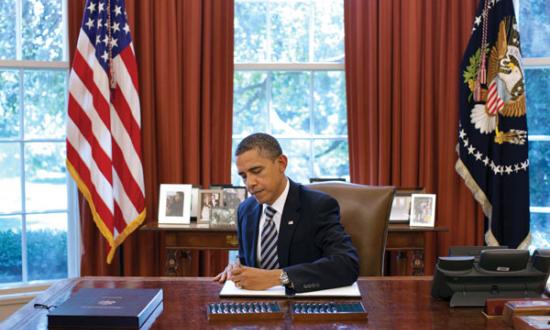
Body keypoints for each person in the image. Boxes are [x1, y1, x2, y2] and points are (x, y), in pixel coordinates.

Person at [214, 133, 359, 293]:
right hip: (256, 306)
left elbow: (347, 264)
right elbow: (247, 261)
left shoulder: (318, 206)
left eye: (256, 171)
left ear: (281, 164)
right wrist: (236, 268)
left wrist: (276, 278)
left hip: (306, 307)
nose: (250, 183)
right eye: (243, 176)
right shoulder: (245, 210)